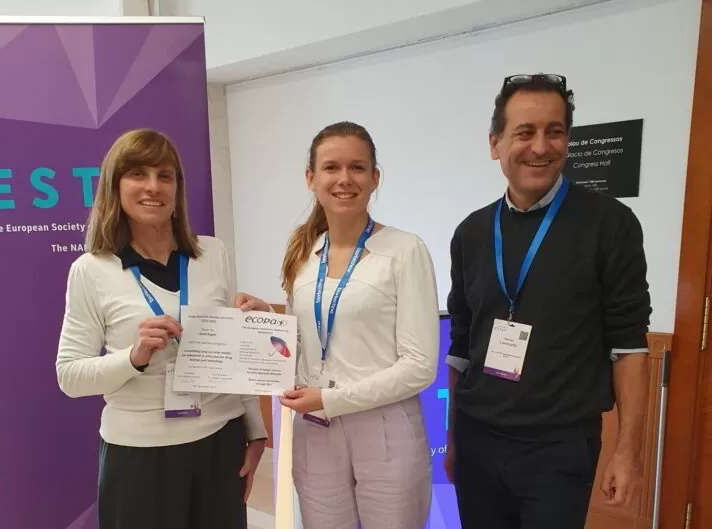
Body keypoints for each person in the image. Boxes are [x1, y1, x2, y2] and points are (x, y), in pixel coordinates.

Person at [444, 74, 652, 529]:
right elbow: (461, 344)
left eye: (554, 131)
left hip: (559, 450)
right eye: (525, 132)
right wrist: (454, 437)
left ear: (567, 140)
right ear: (495, 143)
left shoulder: (610, 225)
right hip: (478, 440)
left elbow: (629, 345)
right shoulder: (471, 233)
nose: (540, 147)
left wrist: (628, 452)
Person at [55, 129, 271, 529]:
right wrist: (133, 358)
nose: (153, 186)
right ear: (115, 185)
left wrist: (256, 432)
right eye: (138, 174)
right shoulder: (91, 269)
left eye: (164, 175)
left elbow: (232, 357)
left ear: (177, 188)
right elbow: (69, 376)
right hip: (139, 455)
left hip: (219, 443)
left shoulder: (212, 253)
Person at [278, 121, 440, 529]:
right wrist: (261, 321)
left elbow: (420, 366)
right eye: (331, 167)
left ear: (374, 178)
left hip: (384, 430)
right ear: (311, 178)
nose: (344, 178)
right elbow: (304, 340)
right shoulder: (303, 253)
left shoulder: (404, 250)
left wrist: (331, 399)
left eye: (357, 167)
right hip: (315, 431)